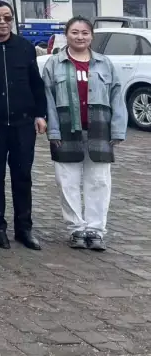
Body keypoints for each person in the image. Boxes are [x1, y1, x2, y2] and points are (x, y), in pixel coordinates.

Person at [42, 16, 127, 251]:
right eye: (75, 32)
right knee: (67, 181)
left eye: (85, 33)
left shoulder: (104, 63)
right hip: (66, 130)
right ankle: (76, 229)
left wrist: (118, 128)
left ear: (91, 36)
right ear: (66, 35)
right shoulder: (54, 64)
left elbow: (116, 97)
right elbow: (47, 99)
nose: (80, 37)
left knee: (99, 181)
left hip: (99, 129)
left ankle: (95, 230)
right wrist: (53, 130)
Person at [0, 1, 47, 251]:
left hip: (22, 123)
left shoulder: (25, 47)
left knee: (22, 177)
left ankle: (24, 228)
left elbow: (35, 83)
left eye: (7, 18)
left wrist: (40, 114)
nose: (2, 23)